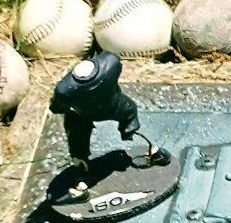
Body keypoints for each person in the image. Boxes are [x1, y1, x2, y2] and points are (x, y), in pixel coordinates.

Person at [49, 51, 162, 197]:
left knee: (76, 127)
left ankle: (81, 162)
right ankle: (82, 161)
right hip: (115, 106)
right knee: (129, 115)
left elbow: (57, 107)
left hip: (87, 112)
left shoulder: (66, 88)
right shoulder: (110, 62)